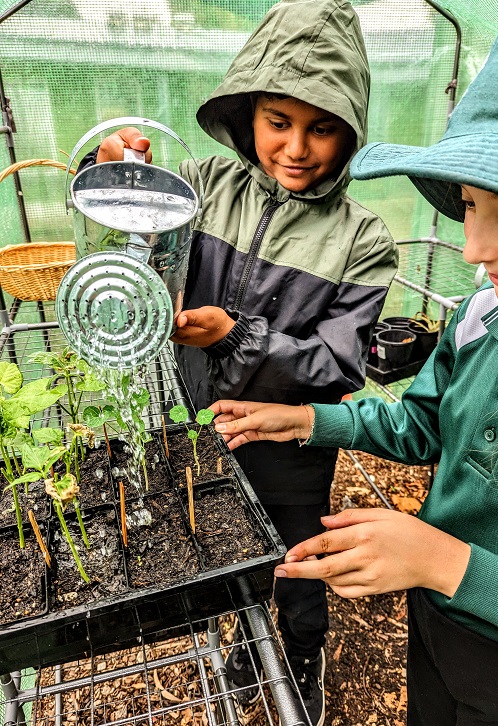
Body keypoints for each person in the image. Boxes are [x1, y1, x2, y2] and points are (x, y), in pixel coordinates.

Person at [210, 1, 498, 723]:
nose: (473, 250)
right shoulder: (483, 318)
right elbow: (420, 427)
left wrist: (444, 561)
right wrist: (306, 418)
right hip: (439, 623)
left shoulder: (358, 238)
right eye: (468, 207)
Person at [85, 1, 398, 722]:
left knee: (296, 555)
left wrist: (234, 335)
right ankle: (239, 635)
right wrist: (108, 168)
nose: (295, 147)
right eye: (278, 122)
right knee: (216, 534)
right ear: (248, 117)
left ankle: (300, 650)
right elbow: (126, 214)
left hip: (287, 440)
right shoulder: (202, 186)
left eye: (320, 127)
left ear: (348, 130)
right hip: (192, 416)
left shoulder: (362, 238)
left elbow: (337, 366)